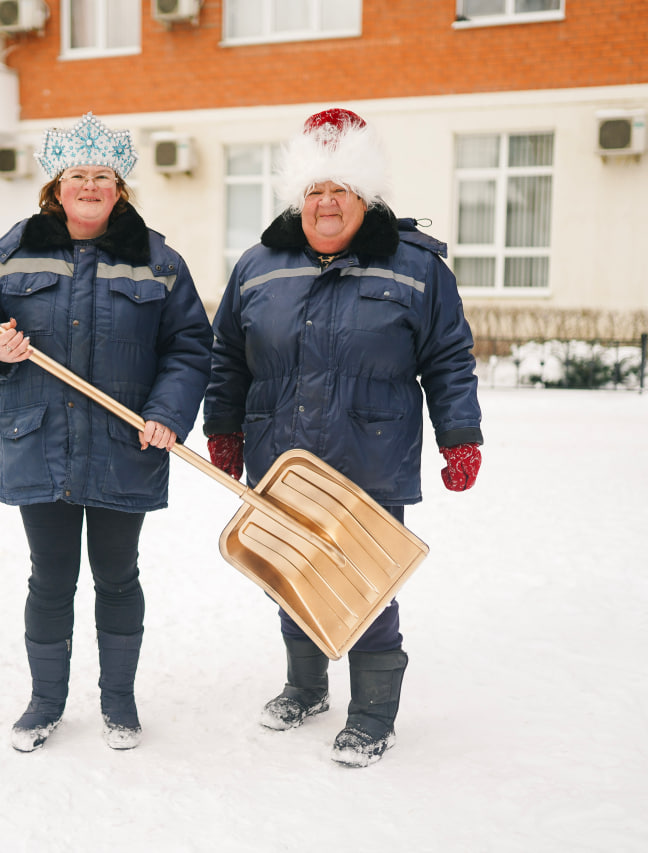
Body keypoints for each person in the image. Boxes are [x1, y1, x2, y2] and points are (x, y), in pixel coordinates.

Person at [202, 108, 483, 768]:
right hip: (282, 455)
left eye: (341, 189)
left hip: (371, 453)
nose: (327, 202)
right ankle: (306, 686)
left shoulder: (415, 268)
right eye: (314, 190)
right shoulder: (259, 266)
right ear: (299, 196)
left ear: (366, 196)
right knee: (289, 573)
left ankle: (373, 713)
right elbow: (227, 356)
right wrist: (225, 425)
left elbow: (448, 356)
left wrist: (460, 435)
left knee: (366, 581)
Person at [0, 113, 212, 754]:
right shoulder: (13, 252)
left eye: (103, 177)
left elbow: (189, 349)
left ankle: (118, 703)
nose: (90, 187)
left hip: (127, 443)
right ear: (56, 187)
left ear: (119, 188)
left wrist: (168, 413)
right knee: (50, 577)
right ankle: (45, 702)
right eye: (78, 176)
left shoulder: (158, 260)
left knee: (118, 576)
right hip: (39, 442)